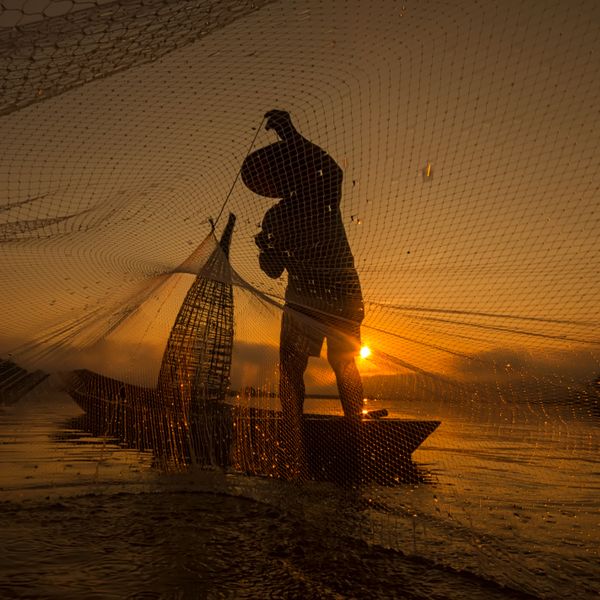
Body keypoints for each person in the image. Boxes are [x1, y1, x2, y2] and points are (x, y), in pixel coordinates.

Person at [241, 110, 364, 475]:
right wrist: (267, 248)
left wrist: (289, 133)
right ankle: (313, 432)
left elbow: (332, 169)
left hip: (329, 295)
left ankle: (343, 432)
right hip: (323, 297)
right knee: (305, 367)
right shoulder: (277, 216)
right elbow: (273, 269)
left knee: (336, 364)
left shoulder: (321, 194)